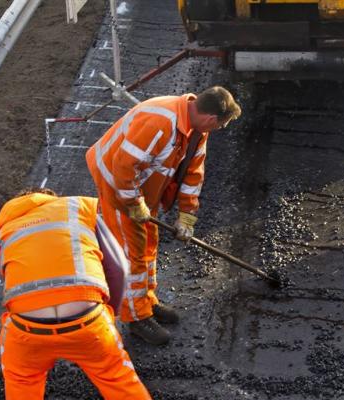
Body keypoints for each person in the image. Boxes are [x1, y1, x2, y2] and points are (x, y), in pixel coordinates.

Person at [0, 189, 176, 400]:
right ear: (49, 198)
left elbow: (15, 285)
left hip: (27, 330)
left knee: (22, 382)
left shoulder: (5, 234)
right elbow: (118, 267)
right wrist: (105, 312)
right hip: (89, 322)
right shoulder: (77, 210)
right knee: (117, 378)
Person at [86, 86, 242, 345]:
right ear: (212, 119)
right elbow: (124, 167)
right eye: (221, 125)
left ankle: (146, 302)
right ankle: (136, 318)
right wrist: (133, 204)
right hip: (116, 183)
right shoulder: (160, 121)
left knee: (149, 240)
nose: (219, 130)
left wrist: (187, 216)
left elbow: (193, 175)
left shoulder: (195, 130)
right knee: (131, 251)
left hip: (143, 184)